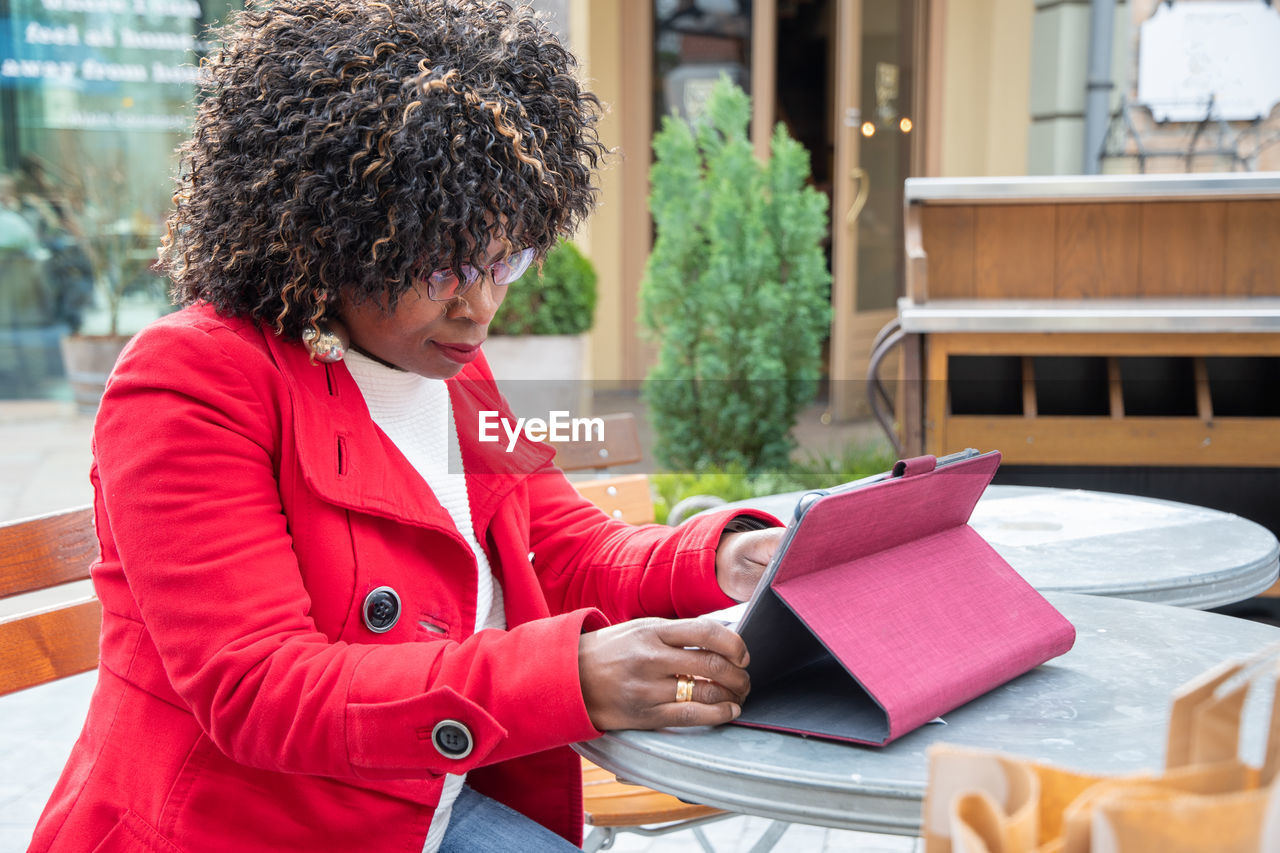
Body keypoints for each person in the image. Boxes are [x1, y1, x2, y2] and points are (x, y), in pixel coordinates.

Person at [28, 1, 784, 850]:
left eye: (508, 259)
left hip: (430, 798)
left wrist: (726, 554)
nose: (483, 306)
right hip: (255, 825)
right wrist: (563, 677)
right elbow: (261, 687)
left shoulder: (454, 373)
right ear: (328, 234)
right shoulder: (192, 381)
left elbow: (564, 546)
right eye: (443, 265)